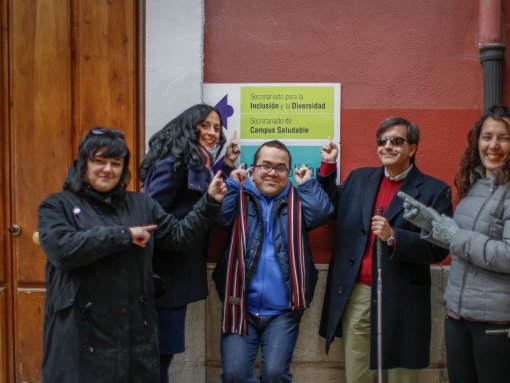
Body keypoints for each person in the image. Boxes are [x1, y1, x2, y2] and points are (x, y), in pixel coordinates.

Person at [38, 127, 227, 383]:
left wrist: (210, 201)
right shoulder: (56, 205)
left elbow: (179, 236)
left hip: (134, 334)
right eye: (99, 161)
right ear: (84, 164)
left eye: (115, 163)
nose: (107, 169)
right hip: (79, 336)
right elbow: (63, 251)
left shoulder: (142, 204)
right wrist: (124, 235)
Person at [402, 105, 510, 383]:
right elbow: (460, 238)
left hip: (501, 321)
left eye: (503, 138)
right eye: (486, 137)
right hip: (460, 315)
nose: (493, 145)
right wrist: (431, 223)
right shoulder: (477, 184)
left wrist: (453, 235)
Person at [318, 117, 453, 383]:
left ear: (412, 148)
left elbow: (440, 247)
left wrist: (395, 237)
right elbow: (334, 206)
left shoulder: (435, 190)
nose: (387, 146)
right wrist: (328, 166)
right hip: (359, 293)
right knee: (358, 375)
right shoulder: (359, 179)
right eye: (382, 141)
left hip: (402, 296)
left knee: (402, 376)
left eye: (396, 141)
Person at [212, 140, 334, 383]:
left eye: (280, 168)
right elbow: (218, 217)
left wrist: (308, 185)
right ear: (253, 169)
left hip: (283, 311)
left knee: (275, 375)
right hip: (240, 307)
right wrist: (233, 185)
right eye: (265, 165)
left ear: (288, 172)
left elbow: (322, 213)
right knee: (234, 376)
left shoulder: (297, 199)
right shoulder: (240, 197)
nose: (271, 172)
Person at [138, 104, 240, 383]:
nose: (211, 132)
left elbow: (199, 198)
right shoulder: (173, 163)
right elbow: (153, 216)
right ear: (188, 125)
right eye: (205, 125)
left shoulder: (195, 162)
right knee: (156, 359)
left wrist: (227, 166)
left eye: (217, 128)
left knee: (162, 357)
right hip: (163, 278)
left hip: (173, 278)